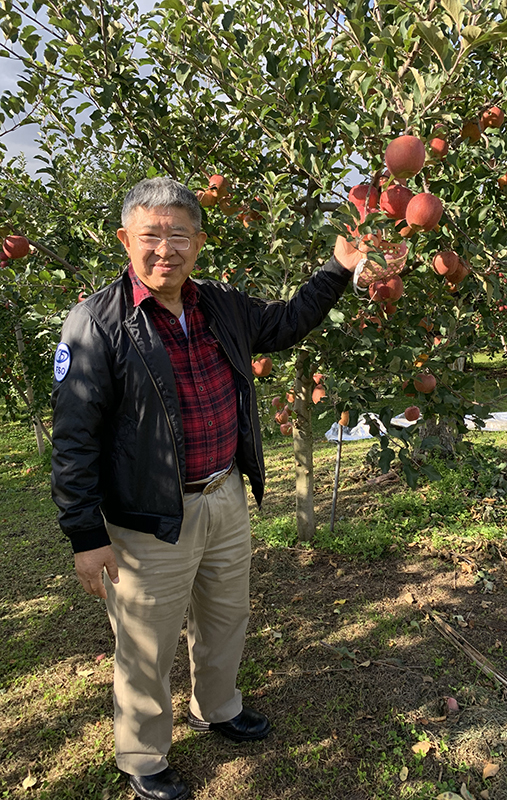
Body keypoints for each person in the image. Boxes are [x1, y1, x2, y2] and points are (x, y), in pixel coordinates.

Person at [51, 177, 366, 800]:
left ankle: (217, 707)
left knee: (226, 616)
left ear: (198, 240)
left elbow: (284, 324)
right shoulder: (96, 324)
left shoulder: (219, 305)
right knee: (147, 640)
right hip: (147, 518)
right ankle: (141, 755)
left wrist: (338, 267)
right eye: (150, 236)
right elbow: (75, 437)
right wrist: (86, 534)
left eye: (178, 235)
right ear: (125, 241)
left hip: (223, 495)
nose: (164, 249)